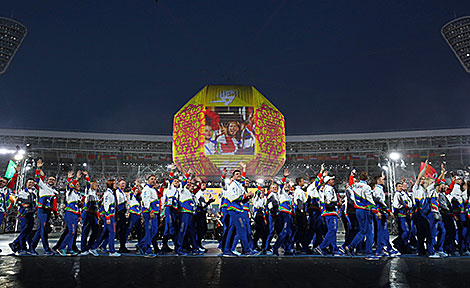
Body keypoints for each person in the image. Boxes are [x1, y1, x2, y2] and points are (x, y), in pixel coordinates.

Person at [343, 171, 380, 260]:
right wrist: (376, 211)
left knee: (362, 231)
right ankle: (369, 253)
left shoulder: (355, 185)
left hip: (358, 210)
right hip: (365, 210)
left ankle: (350, 246)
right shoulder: (367, 187)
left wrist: (351, 174)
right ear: (367, 178)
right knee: (370, 232)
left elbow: (351, 182)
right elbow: (370, 200)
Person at [223, 163, 258, 257]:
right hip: (234, 209)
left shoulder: (239, 186)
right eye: (237, 174)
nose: (239, 175)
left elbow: (243, 199)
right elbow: (233, 198)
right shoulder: (233, 185)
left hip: (238, 209)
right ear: (233, 177)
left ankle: (227, 250)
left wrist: (248, 197)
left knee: (232, 231)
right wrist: (245, 196)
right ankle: (247, 250)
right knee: (242, 229)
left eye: (240, 174)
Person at [30, 159, 57, 256]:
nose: (51, 181)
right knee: (43, 229)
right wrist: (38, 168)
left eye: (53, 180)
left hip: (48, 211)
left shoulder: (54, 191)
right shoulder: (42, 186)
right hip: (42, 210)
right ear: (47, 180)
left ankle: (32, 247)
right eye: (50, 179)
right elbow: (37, 179)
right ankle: (46, 249)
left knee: (41, 229)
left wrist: (54, 212)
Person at [89, 179, 120, 257]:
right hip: (108, 216)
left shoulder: (110, 193)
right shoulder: (108, 194)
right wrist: (108, 217)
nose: (116, 185)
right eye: (114, 184)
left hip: (109, 215)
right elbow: (106, 205)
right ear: (111, 185)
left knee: (104, 233)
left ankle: (94, 247)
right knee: (112, 233)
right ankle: (112, 251)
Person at [58, 171, 83, 256]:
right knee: (71, 232)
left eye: (79, 184)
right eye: (77, 184)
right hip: (70, 213)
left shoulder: (78, 194)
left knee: (73, 232)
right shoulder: (69, 192)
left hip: (75, 214)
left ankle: (70, 249)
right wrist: (74, 178)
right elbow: (69, 185)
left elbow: (79, 206)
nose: (78, 186)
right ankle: (61, 248)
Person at [10, 178, 36, 255]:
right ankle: (22, 247)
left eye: (32, 182)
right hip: (24, 214)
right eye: (29, 182)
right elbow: (18, 201)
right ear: (26, 183)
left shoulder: (34, 192)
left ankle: (15, 243)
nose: (31, 184)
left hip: (31, 213)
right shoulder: (22, 192)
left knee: (28, 231)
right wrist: (23, 204)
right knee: (24, 230)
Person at [315, 175, 340, 256]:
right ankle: (321, 246)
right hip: (330, 212)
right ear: (328, 181)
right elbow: (329, 200)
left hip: (327, 213)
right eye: (331, 179)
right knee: (332, 230)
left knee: (332, 231)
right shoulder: (328, 188)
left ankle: (334, 249)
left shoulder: (325, 188)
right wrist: (335, 203)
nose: (333, 180)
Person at [80, 172, 100, 255]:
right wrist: (87, 176)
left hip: (93, 214)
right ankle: (83, 249)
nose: (96, 186)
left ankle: (90, 246)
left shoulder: (95, 195)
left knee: (96, 230)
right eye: (95, 185)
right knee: (86, 231)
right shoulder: (88, 191)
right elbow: (88, 184)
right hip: (87, 213)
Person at [139, 175, 159, 256]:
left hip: (154, 212)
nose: (153, 181)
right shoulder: (146, 189)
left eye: (155, 179)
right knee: (149, 230)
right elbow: (145, 200)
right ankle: (147, 249)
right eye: (152, 179)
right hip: (149, 212)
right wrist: (150, 211)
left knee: (153, 230)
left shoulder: (153, 189)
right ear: (147, 180)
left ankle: (141, 244)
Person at [0, 165, 18, 253]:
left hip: (1, 211)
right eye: (0, 181)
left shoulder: (7, 190)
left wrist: (16, 173)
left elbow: (13, 181)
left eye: (3, 182)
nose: (1, 183)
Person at [115, 179, 130, 253]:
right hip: (119, 213)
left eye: (124, 183)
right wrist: (117, 215)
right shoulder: (117, 192)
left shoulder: (123, 193)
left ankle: (123, 246)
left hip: (123, 213)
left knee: (123, 231)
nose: (123, 185)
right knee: (120, 231)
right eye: (122, 183)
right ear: (119, 184)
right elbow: (117, 204)